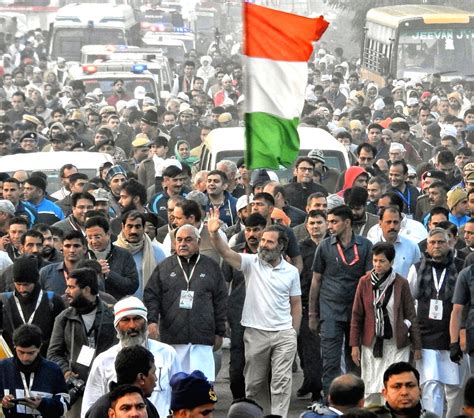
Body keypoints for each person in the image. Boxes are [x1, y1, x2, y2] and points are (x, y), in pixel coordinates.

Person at [208, 209, 301, 416]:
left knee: (281, 382)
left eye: (269, 241)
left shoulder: (292, 271)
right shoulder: (252, 263)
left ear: (281, 246)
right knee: (254, 384)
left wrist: (293, 333)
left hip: (284, 334)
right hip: (255, 333)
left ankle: (278, 416)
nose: (263, 244)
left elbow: (295, 303)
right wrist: (214, 234)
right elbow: (226, 252)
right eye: (263, 240)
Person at [144, 224, 227, 382]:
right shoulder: (165, 267)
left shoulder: (211, 267)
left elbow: (221, 300)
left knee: (202, 385)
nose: (182, 244)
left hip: (202, 336)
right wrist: (152, 321)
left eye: (188, 240)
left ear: (199, 242)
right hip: (173, 336)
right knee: (176, 384)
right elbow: (151, 295)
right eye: (179, 240)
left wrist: (220, 332)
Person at [309, 205, 373, 395]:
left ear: (347, 222)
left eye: (334, 222)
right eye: (329, 222)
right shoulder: (325, 246)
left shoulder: (365, 245)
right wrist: (313, 314)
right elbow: (316, 281)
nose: (330, 226)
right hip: (330, 311)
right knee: (330, 361)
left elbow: (370, 281)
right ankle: (330, 402)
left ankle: (353, 403)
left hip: (356, 312)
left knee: (355, 360)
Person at [82, 296, 180, 418]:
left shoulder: (167, 353)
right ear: (116, 325)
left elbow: (179, 398)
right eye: (125, 320)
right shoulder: (103, 361)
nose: (132, 325)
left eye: (137, 318)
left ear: (145, 321)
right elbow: (90, 405)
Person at [350, 242, 421, 405]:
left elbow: (411, 314)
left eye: (382, 261)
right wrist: (354, 345)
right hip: (372, 343)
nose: (377, 265)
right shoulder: (364, 282)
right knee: (371, 389)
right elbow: (357, 315)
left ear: (391, 262)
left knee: (394, 387)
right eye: (375, 261)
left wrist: (417, 346)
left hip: (397, 344)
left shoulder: (401, 283)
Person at [408, 228, 465, 417]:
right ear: (427, 245)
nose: (436, 246)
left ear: (449, 243)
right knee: (431, 384)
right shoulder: (417, 268)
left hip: (453, 334)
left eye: (441, 242)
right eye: (432, 242)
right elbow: (409, 301)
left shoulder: (461, 266)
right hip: (425, 334)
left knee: (456, 386)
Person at [47, 267, 117, 417]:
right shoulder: (63, 318)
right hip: (76, 390)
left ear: (86, 289)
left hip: (106, 388)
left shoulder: (111, 317)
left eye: (71, 287)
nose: (66, 291)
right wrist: (66, 373)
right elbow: (53, 354)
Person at [0, 255, 65, 356]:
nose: (22, 289)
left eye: (26, 284)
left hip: (44, 361)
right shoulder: (4, 302)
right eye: (18, 284)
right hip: (11, 363)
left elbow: (60, 338)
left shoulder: (53, 301)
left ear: (35, 281)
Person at [0, 324, 69, 418]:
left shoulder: (53, 370)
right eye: (21, 352)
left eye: (30, 353)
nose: (25, 358)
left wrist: (43, 404)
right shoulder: (3, 367)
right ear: (14, 347)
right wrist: (4, 402)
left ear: (39, 348)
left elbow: (64, 406)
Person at [297, 210, 327, 402]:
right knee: (306, 350)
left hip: (327, 303)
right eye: (312, 223)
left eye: (319, 223)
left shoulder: (333, 246)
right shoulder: (299, 249)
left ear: (326, 224)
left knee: (323, 349)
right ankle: (311, 381)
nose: (315, 227)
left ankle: (318, 388)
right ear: (306, 226)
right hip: (305, 304)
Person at [84, 345, 159, 418]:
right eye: (125, 408)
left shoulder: (149, 408)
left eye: (140, 407)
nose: (135, 414)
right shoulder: (101, 410)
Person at [85, 216, 139, 300]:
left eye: (97, 237)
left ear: (108, 235)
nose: (94, 241)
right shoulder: (83, 256)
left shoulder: (124, 254)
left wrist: (109, 274)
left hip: (118, 306)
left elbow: (132, 286)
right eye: (90, 237)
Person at [114, 210, 166, 299]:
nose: (133, 231)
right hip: (120, 308)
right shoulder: (113, 251)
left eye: (138, 226)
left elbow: (165, 282)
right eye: (129, 226)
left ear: (143, 227)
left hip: (148, 307)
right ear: (123, 227)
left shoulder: (156, 252)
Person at [371, 206, 421, 279]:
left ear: (400, 223)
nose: (392, 226)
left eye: (395, 222)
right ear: (380, 223)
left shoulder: (412, 247)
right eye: (388, 222)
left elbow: (417, 275)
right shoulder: (371, 246)